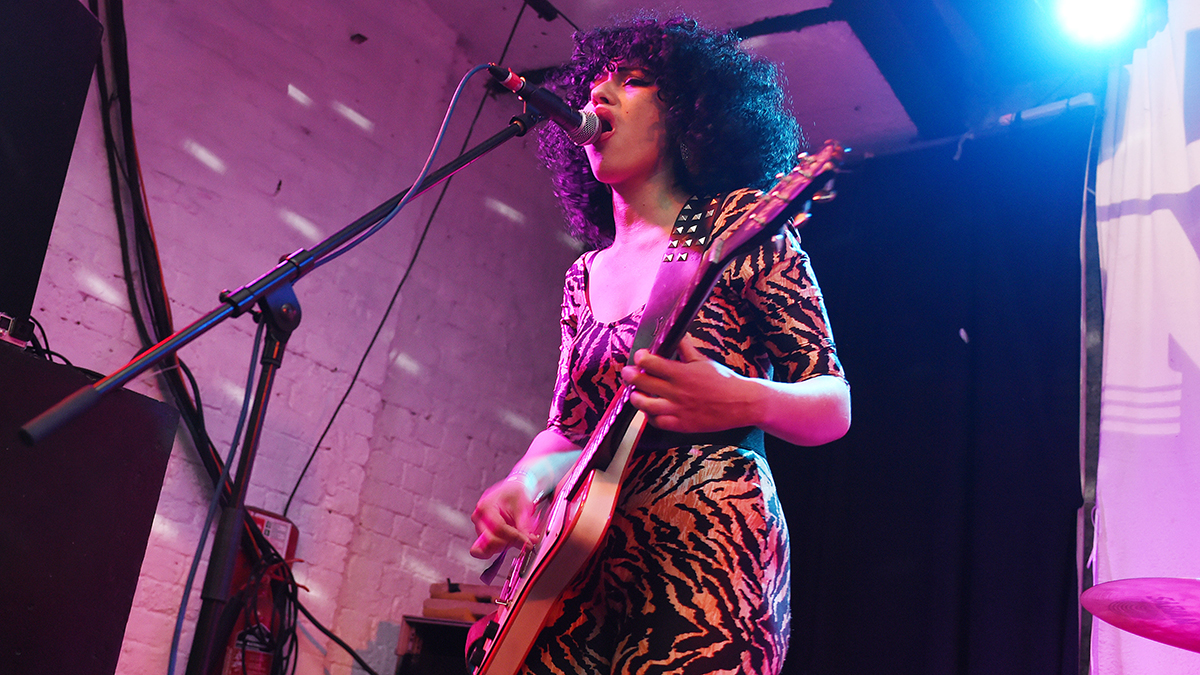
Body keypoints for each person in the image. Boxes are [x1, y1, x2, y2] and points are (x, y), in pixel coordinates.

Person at [469, 14, 850, 675]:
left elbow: (832, 402)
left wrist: (741, 397)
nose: (597, 98)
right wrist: (524, 480)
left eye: (634, 81)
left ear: (689, 116)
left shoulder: (740, 226)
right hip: (575, 571)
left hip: (708, 553)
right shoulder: (583, 273)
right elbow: (568, 428)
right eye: (592, 87)